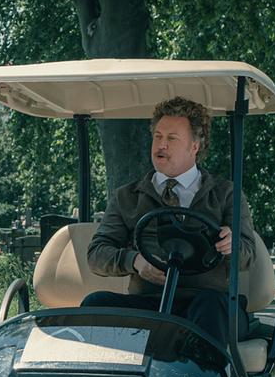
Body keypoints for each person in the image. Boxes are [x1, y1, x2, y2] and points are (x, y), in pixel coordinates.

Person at [84, 96, 255, 345]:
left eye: (172, 138)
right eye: (158, 136)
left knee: (210, 309)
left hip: (205, 302)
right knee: (95, 304)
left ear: (195, 146)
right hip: (149, 302)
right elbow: (97, 254)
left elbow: (248, 255)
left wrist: (231, 246)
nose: (161, 145)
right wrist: (135, 262)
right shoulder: (127, 197)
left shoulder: (225, 194)